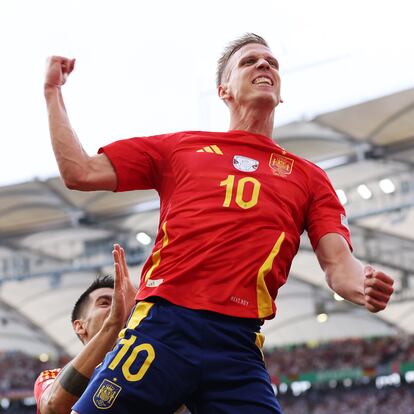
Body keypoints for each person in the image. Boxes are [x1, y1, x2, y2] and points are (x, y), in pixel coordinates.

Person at [44, 33, 394, 414]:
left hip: (237, 345)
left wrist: (363, 285)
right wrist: (52, 94)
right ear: (224, 90)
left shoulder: (309, 178)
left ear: (280, 94)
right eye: (249, 62)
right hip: (164, 328)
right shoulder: (180, 149)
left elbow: (339, 265)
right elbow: (79, 171)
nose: (264, 66)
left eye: (271, 63)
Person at [34, 245, 136, 414]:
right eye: (105, 303)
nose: (119, 308)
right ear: (79, 326)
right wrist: (113, 324)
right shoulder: (52, 376)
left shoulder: (141, 372)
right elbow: (53, 406)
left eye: (123, 304)